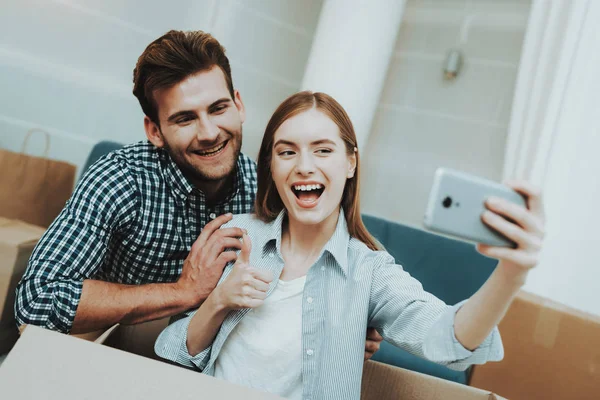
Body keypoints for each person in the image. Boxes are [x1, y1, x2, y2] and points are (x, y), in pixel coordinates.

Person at [13, 30, 382, 359]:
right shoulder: (120, 178)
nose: (209, 132)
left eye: (218, 109)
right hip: (108, 338)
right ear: (155, 130)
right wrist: (183, 291)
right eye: (185, 118)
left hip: (209, 349)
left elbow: (312, 264)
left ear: (238, 105)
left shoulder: (265, 188)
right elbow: (36, 302)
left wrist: (349, 318)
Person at [155, 91, 546, 399]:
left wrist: (512, 274)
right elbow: (170, 351)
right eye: (286, 151)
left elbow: (448, 339)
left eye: (323, 150)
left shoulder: (369, 271)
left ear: (350, 163)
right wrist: (219, 300)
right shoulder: (237, 235)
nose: (303, 165)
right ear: (271, 168)